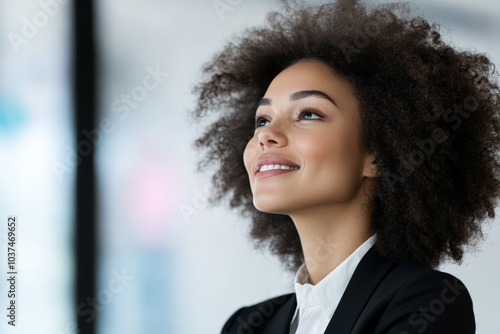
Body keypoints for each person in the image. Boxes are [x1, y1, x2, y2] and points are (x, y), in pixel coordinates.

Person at [191, 0, 500, 333]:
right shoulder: (246, 326)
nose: (265, 134)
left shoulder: (426, 302)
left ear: (378, 153)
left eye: (308, 114)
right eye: (262, 119)